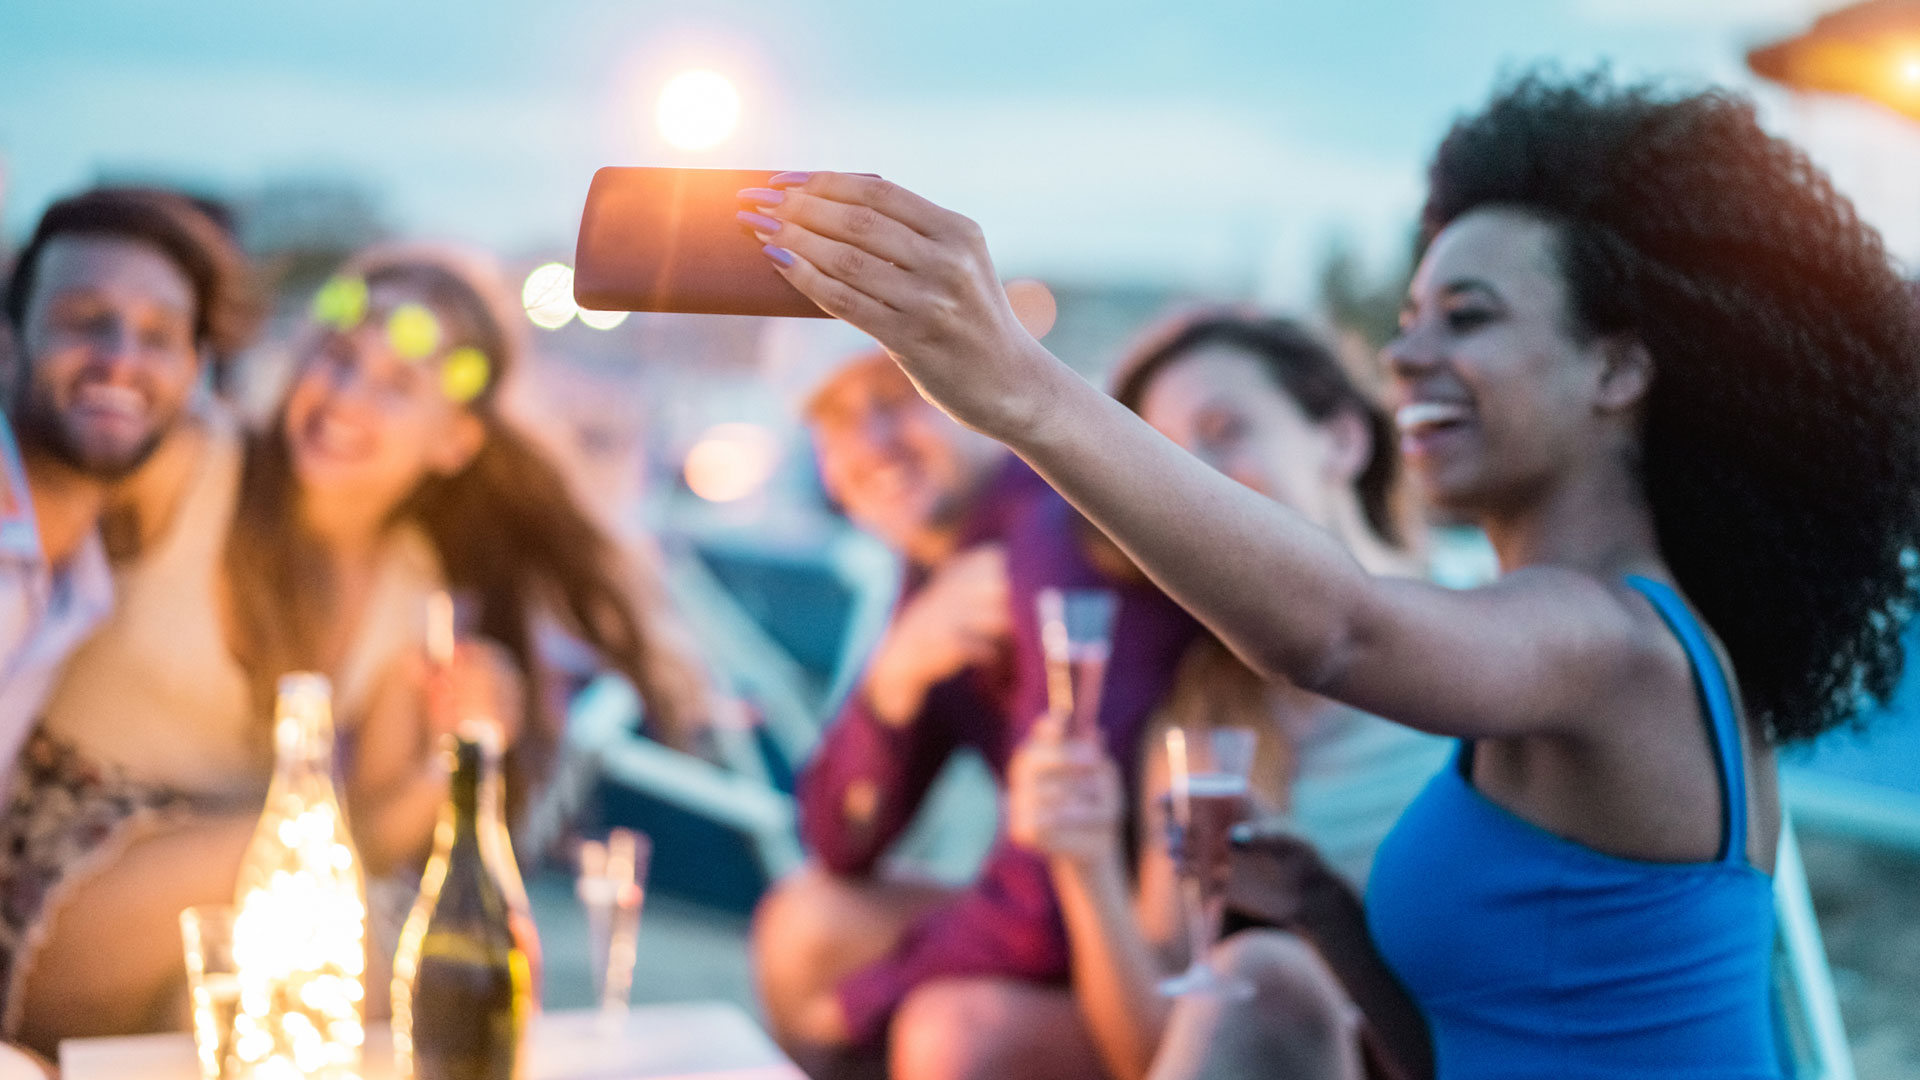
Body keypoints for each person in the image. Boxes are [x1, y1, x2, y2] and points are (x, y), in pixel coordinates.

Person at [740, 69, 1920, 1076]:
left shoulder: (1609, 644)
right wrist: (1323, 918)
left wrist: (1013, 382)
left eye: (1468, 317)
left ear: (1618, 370)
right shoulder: (1557, 650)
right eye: (1408, 320)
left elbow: (1338, 632)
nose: (1408, 356)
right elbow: (1480, 1045)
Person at [1, 243, 720, 1052]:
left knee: (318, 980)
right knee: (320, 893)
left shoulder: (412, 592)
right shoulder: (190, 464)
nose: (347, 398)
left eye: (396, 387)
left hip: (233, 907)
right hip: (48, 877)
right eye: (339, 360)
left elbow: (377, 830)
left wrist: (462, 748)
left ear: (451, 442)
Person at [1006, 311, 1444, 1080]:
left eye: (1225, 429)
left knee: (1266, 975)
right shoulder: (1203, 720)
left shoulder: (1493, 645)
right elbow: (1148, 1050)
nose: (1192, 480)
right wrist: (1084, 864)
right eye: (1165, 458)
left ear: (1343, 439)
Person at [753, 350, 1202, 1080]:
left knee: (949, 1031)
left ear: (979, 394)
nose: (872, 444)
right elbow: (837, 844)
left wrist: (872, 996)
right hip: (1084, 909)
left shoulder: (1056, 537)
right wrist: (890, 680)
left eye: (899, 398)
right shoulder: (942, 557)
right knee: (807, 923)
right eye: (834, 421)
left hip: (1164, 939)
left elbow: (1056, 870)